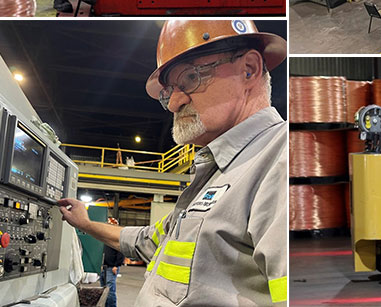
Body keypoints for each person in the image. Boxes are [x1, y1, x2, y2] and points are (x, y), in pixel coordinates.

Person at [58, 20, 288, 306]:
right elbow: (147, 241)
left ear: (249, 69)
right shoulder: (215, 173)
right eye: (168, 92)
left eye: (191, 78)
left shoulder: (281, 158)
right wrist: (86, 224)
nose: (174, 103)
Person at [101, 217, 125, 307]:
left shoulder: (117, 238)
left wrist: (116, 265)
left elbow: (121, 252)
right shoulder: (104, 238)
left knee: (110, 290)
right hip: (104, 267)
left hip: (111, 268)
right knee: (103, 289)